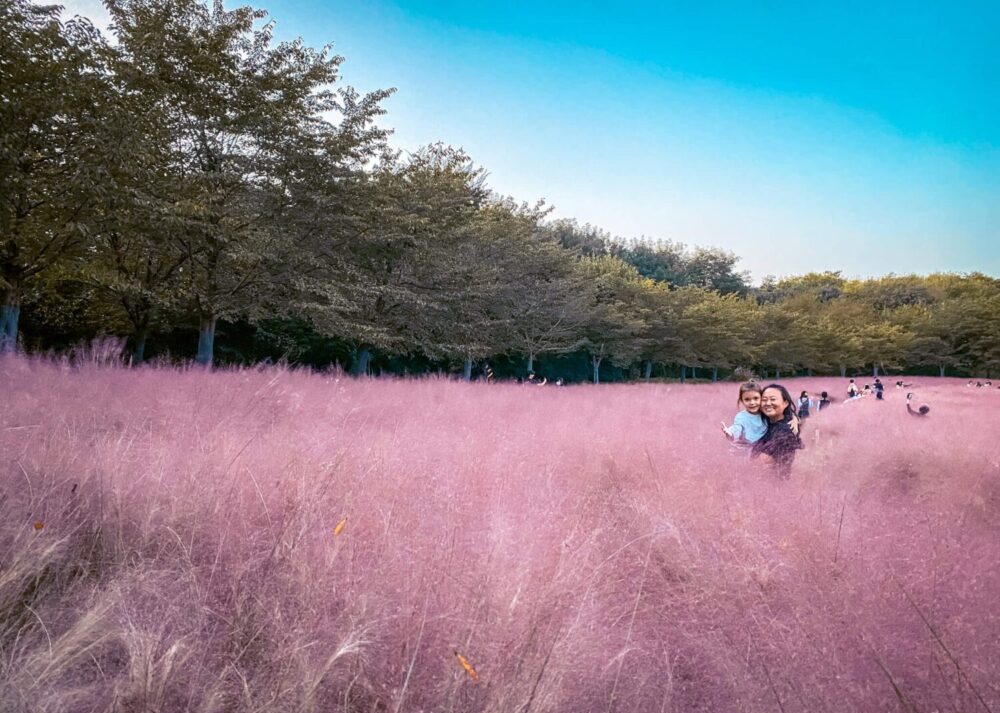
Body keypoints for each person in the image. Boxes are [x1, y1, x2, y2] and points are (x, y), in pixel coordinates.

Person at [751, 384, 804, 478]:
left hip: (772, 486)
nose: (767, 403)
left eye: (773, 399)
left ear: (785, 403)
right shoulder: (767, 422)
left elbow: (759, 464)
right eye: (764, 400)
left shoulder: (784, 431)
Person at [721, 382, 767, 447]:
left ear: (761, 398)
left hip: (763, 448)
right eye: (747, 399)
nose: (752, 402)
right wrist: (730, 434)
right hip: (745, 448)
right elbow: (737, 429)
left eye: (756, 398)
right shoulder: (741, 417)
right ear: (742, 401)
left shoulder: (766, 413)